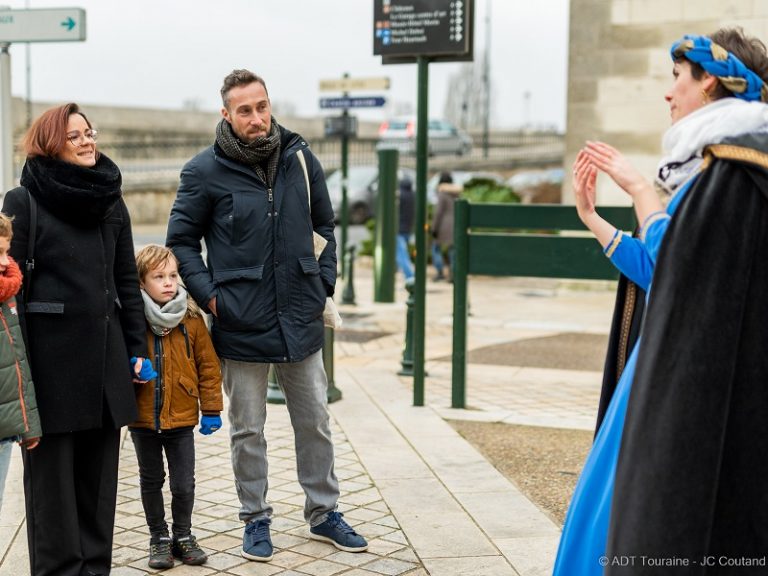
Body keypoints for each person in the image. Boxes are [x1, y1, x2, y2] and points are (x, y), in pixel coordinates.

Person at [553, 28, 768, 575]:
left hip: (691, 380)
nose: (668, 93)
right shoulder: (714, 165)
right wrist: (594, 219)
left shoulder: (736, 168)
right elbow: (662, 271)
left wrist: (643, 192)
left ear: (712, 82)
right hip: (669, 369)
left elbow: (679, 272)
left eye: (677, 78)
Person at [166, 69, 368, 563]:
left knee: (315, 420)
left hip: (300, 314)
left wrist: (322, 282)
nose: (256, 118)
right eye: (245, 110)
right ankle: (255, 519)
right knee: (247, 428)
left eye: (262, 107)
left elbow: (326, 224)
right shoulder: (203, 172)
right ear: (226, 115)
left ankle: (323, 513)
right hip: (241, 318)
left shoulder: (300, 159)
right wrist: (213, 298)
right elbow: (181, 242)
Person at [2, 103, 153, 576]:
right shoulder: (23, 201)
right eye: (75, 136)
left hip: (105, 367)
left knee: (98, 491)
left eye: (90, 132)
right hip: (49, 371)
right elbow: (11, 293)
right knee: (52, 499)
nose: (88, 141)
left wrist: (135, 350)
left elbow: (126, 281)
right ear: (51, 143)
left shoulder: (110, 198)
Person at [130, 245, 224, 569]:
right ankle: (158, 538)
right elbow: (116, 362)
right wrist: (132, 371)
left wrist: (212, 409)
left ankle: (183, 536)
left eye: (172, 275)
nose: (168, 282)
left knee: (184, 483)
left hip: (182, 418)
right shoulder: (132, 319)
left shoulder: (192, 318)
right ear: (142, 283)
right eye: (158, 277)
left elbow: (208, 366)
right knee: (150, 480)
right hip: (143, 419)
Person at [0, 212, 41, 515]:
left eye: (6, 250)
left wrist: (29, 426)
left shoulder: (8, 295)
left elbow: (18, 364)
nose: (4, 261)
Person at [431, 171, 462, 282]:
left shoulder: (442, 194)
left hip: (444, 226)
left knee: (435, 248)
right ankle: (454, 274)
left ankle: (439, 272)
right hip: (457, 225)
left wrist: (434, 228)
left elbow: (438, 212)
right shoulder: (457, 194)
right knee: (453, 251)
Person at [396, 177, 415, 283]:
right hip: (408, 228)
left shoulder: (401, 196)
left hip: (399, 229)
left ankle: (410, 277)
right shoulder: (413, 195)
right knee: (403, 253)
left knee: (402, 255)